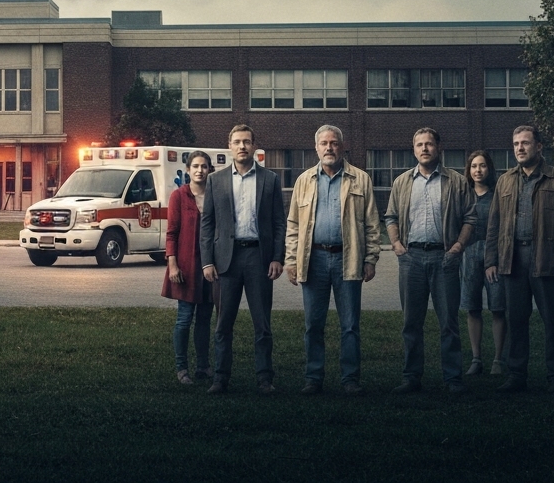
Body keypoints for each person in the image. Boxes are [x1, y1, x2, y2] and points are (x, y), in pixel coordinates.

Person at [285, 124, 380, 396]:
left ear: (342, 146)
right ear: (316, 148)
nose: (329, 147)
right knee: (313, 325)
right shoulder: (304, 181)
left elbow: (373, 224)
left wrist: (371, 258)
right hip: (313, 260)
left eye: (334, 143)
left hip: (347, 260)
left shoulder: (360, 179)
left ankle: (350, 379)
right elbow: (293, 224)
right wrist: (291, 260)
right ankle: (313, 378)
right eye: (324, 143)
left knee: (350, 325)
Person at [485, 124, 554, 394]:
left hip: (547, 259)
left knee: (552, 320)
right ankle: (516, 375)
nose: (520, 148)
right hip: (512, 259)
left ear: (539, 146)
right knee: (516, 320)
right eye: (516, 144)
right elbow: (494, 225)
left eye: (525, 143)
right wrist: (491, 260)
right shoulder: (505, 180)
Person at [384, 127, 476, 395]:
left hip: (444, 258)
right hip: (410, 258)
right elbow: (390, 216)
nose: (424, 148)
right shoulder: (402, 182)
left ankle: (453, 378)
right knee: (411, 322)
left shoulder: (457, 181)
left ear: (439, 147)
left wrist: (458, 246)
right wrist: (397, 244)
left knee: (448, 322)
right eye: (419, 145)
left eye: (429, 144)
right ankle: (411, 376)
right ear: (414, 149)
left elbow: (471, 218)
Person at [201, 124, 286, 395]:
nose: (242, 146)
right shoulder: (216, 180)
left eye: (247, 142)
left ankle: (264, 378)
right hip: (227, 259)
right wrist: (207, 261)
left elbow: (278, 223)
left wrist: (277, 257)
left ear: (254, 146)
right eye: (237, 141)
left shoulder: (270, 179)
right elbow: (208, 224)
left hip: (259, 258)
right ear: (229, 145)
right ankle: (221, 378)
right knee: (224, 322)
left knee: (262, 323)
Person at [162, 150, 217, 385]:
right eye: (195, 166)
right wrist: (172, 264)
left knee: (205, 319)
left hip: (209, 267)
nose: (199, 170)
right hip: (184, 266)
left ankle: (203, 366)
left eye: (204, 166)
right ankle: (181, 368)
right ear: (187, 170)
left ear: (209, 170)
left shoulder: (215, 195)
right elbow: (171, 233)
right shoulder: (179, 196)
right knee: (184, 319)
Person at [460, 150, 507, 376]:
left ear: (489, 169)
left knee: (498, 308)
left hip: (493, 258)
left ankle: (498, 360)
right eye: (474, 166)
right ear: (468, 171)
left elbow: (502, 230)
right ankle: (476, 359)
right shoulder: (464, 196)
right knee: (472, 308)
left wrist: (495, 260)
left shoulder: (497, 195)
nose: (478, 170)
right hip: (468, 256)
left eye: (482, 166)